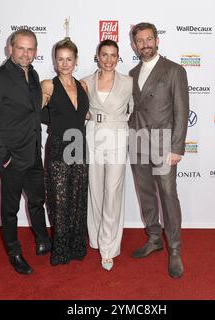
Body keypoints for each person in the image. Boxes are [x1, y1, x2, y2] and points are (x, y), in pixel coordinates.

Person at [0, 29, 52, 275]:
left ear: (35, 51)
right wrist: (4, 157)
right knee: (10, 209)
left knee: (37, 200)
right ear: (10, 49)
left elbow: (34, 113)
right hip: (11, 156)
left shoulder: (33, 75)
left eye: (30, 49)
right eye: (21, 48)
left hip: (33, 151)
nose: (26, 53)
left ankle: (43, 239)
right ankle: (15, 252)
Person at [128, 22, 189, 278]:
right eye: (140, 41)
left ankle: (174, 249)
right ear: (134, 44)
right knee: (146, 194)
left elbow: (181, 111)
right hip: (137, 141)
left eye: (149, 39)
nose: (145, 44)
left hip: (164, 144)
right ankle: (154, 238)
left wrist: (177, 147)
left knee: (167, 195)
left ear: (157, 40)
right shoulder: (131, 73)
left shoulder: (174, 70)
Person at [81, 40, 133, 271]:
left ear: (118, 57)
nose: (109, 60)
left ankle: (109, 248)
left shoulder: (128, 82)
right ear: (97, 56)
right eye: (105, 55)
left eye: (113, 55)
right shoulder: (85, 82)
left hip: (118, 135)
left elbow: (134, 110)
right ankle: (96, 237)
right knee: (95, 189)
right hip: (93, 134)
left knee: (112, 191)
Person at [41, 38, 89, 266]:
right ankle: (60, 251)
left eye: (69, 59)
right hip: (59, 146)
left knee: (78, 198)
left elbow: (83, 116)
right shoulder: (48, 85)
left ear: (76, 61)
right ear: (55, 61)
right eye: (60, 59)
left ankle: (77, 247)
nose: (64, 63)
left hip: (79, 144)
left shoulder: (83, 86)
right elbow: (35, 114)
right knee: (59, 201)